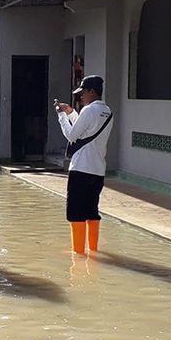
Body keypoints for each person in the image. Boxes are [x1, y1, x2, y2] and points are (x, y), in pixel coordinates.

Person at [55, 75, 113, 255]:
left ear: (92, 92)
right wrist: (72, 113)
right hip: (97, 170)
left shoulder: (89, 110)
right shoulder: (107, 112)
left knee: (76, 213)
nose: (80, 97)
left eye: (82, 93)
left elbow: (73, 136)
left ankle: (78, 254)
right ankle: (93, 251)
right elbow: (87, 129)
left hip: (80, 169)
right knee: (91, 211)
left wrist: (61, 116)